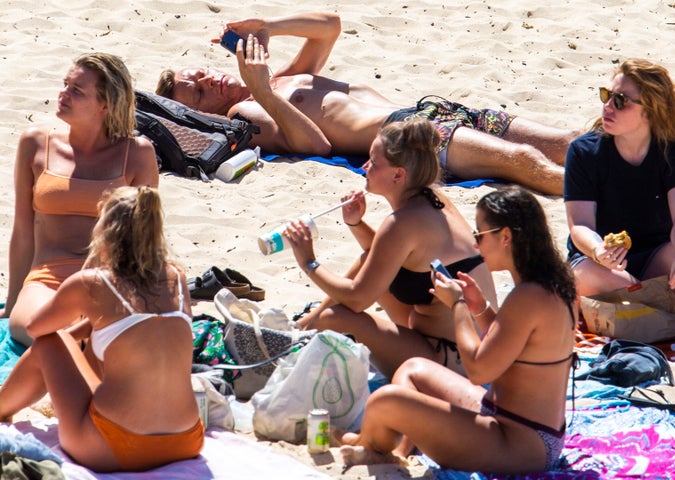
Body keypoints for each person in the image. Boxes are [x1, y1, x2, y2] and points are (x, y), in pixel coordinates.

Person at [155, 12, 581, 196]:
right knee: (525, 161)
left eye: (199, 73)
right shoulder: (244, 114)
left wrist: (268, 27)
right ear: (201, 112)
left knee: (570, 140)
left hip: (435, 110)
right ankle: (615, 194)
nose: (208, 78)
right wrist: (262, 91)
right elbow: (317, 147)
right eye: (197, 91)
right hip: (410, 136)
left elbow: (329, 28)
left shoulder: (282, 77)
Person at [339, 186, 577, 474]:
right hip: (527, 430)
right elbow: (514, 344)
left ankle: (375, 447)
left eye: (480, 235)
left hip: (519, 443)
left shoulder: (527, 296)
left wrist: (458, 305)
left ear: (505, 237)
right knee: (414, 367)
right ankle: (398, 450)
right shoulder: (550, 284)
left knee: (384, 401)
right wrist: (481, 308)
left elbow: (478, 370)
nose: (476, 245)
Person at [0, 186, 203, 472]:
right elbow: (138, 324)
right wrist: (93, 323)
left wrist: (86, 318)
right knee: (105, 338)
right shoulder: (176, 279)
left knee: (49, 342)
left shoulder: (92, 283)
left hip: (114, 448)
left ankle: (1, 407)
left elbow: (36, 328)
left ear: (106, 230)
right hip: (187, 441)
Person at [283, 118, 496, 379]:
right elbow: (384, 254)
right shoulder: (434, 200)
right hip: (465, 343)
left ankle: (302, 333)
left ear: (398, 175)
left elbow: (357, 299)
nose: (364, 167)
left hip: (454, 361)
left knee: (334, 318)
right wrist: (356, 223)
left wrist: (309, 262)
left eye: (373, 162)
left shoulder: (402, 222)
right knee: (367, 260)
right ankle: (303, 328)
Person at [5, 52, 160, 346]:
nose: (63, 94)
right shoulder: (35, 143)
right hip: (47, 279)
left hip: (108, 278)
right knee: (34, 329)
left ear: (105, 104)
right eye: (65, 85)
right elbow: (23, 231)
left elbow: (144, 239)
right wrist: (13, 301)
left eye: (76, 90)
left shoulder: (137, 154)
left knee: (108, 335)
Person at [564, 58, 675, 337]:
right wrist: (599, 250)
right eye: (606, 95)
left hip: (654, 263)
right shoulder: (584, 152)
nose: (608, 106)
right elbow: (580, 226)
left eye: (621, 100)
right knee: (591, 276)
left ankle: (667, 316)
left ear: (650, 112)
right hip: (598, 265)